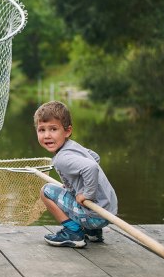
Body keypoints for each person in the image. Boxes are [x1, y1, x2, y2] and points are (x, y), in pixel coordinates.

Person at [35, 101, 118, 248]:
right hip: (108, 211)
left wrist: (88, 194)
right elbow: (95, 157)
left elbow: (92, 167)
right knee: (70, 191)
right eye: (42, 130)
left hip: (94, 215)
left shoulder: (62, 158)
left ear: (67, 131)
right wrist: (75, 186)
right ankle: (93, 233)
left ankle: (73, 233)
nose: (47, 135)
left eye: (53, 129)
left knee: (46, 191)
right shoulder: (74, 146)